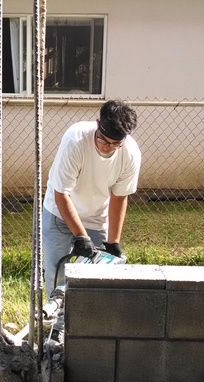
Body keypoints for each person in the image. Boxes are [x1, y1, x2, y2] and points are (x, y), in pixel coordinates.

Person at [42, 99, 141, 296]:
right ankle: (57, 322)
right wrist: (80, 236)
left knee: (97, 274)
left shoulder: (130, 154)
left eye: (115, 144)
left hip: (96, 217)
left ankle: (86, 321)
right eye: (103, 140)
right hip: (59, 212)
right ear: (97, 124)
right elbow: (61, 193)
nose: (107, 147)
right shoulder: (76, 140)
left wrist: (113, 243)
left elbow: (119, 197)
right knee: (56, 270)